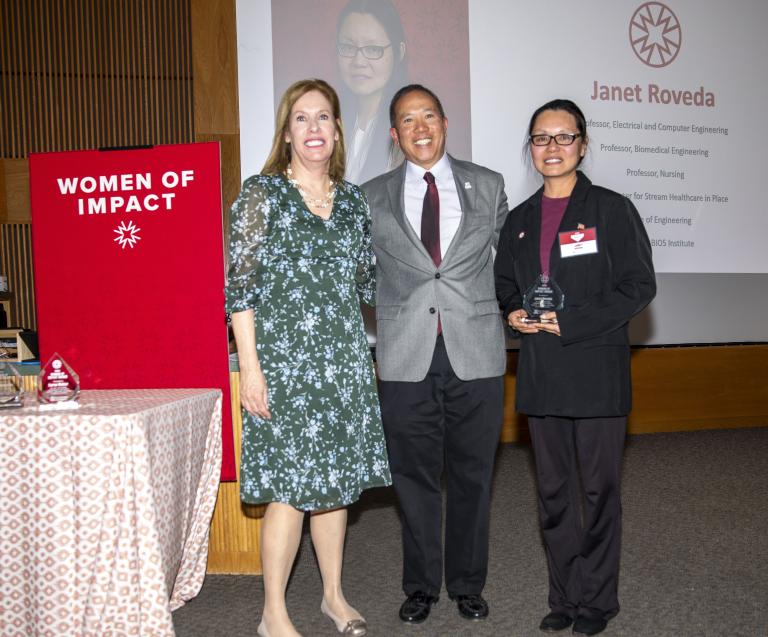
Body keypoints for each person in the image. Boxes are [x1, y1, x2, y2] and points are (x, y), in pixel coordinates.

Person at [226, 78, 391, 637]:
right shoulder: (261, 194)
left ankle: (333, 597)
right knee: (292, 490)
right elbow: (239, 290)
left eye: (324, 117)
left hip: (342, 363)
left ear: (338, 129)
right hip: (284, 368)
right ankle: (273, 613)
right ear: (287, 131)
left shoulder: (352, 200)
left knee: (336, 486)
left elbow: (368, 283)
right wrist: (250, 369)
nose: (314, 127)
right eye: (302, 118)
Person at [495, 99, 656, 636]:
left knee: (598, 494)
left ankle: (597, 602)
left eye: (565, 137)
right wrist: (514, 311)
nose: (553, 148)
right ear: (531, 149)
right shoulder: (518, 221)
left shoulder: (611, 209)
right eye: (542, 138)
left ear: (583, 145)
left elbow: (638, 286)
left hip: (595, 376)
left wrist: (574, 321)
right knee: (554, 496)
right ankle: (563, 597)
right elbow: (505, 288)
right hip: (541, 378)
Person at [362, 84, 509, 624]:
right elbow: (360, 275)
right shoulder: (369, 195)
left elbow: (508, 263)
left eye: (429, 115)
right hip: (404, 355)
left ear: (445, 124)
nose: (420, 127)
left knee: (474, 474)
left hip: (477, 351)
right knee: (414, 476)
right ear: (395, 134)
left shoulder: (488, 185)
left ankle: (468, 582)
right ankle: (421, 584)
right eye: (407, 119)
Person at [336, 0, 407, 184]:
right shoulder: (328, 123)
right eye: (348, 47)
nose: (359, 61)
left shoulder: (408, 132)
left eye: (373, 49)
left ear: (399, 52)